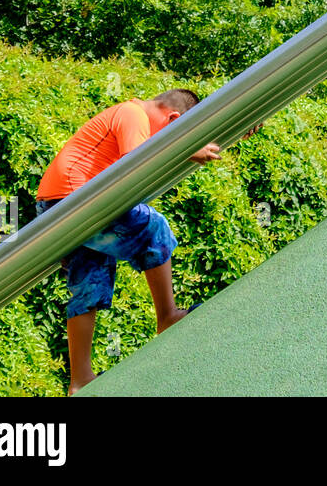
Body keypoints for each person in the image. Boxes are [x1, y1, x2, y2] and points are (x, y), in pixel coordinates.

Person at [34, 89, 220, 394]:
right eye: (179, 132)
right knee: (154, 228)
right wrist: (186, 149)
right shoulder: (133, 115)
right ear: (172, 118)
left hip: (58, 203)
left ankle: (79, 380)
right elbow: (138, 162)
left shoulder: (130, 115)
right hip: (76, 199)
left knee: (88, 283)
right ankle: (167, 315)